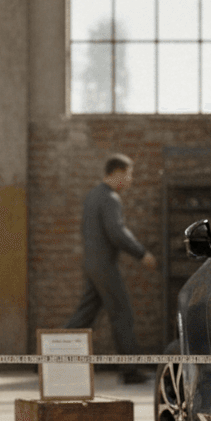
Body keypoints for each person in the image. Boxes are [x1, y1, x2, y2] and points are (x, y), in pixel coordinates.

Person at [65, 154, 157, 384]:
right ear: (116, 172)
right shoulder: (110, 198)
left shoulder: (93, 196)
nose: (130, 180)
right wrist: (141, 253)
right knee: (122, 313)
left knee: (84, 316)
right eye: (128, 174)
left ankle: (51, 360)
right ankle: (131, 370)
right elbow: (116, 232)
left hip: (92, 263)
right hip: (105, 266)